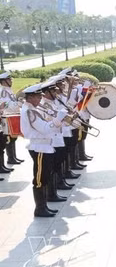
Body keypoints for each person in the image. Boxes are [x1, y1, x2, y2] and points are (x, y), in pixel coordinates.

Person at [20, 84, 61, 217]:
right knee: (39, 179)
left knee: (44, 177)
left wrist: (57, 120)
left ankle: (44, 206)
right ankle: (40, 208)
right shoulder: (30, 111)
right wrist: (57, 120)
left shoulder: (33, 109)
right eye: (38, 97)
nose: (40, 99)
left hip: (44, 147)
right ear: (30, 97)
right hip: (39, 148)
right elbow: (44, 128)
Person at [0, 73, 24, 166]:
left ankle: (13, 156)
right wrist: (17, 103)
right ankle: (11, 158)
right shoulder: (3, 92)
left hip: (12, 115)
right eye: (9, 79)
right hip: (7, 116)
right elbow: (5, 104)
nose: (11, 81)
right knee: (9, 138)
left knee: (13, 137)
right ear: (3, 81)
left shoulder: (8, 90)